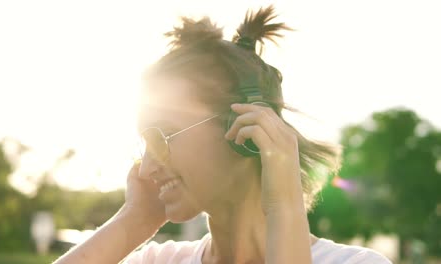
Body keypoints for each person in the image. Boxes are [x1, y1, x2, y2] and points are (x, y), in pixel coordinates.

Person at [54, 5, 392, 264]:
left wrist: (285, 209)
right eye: (143, 144)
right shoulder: (160, 260)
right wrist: (133, 222)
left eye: (163, 135)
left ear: (245, 130)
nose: (145, 169)